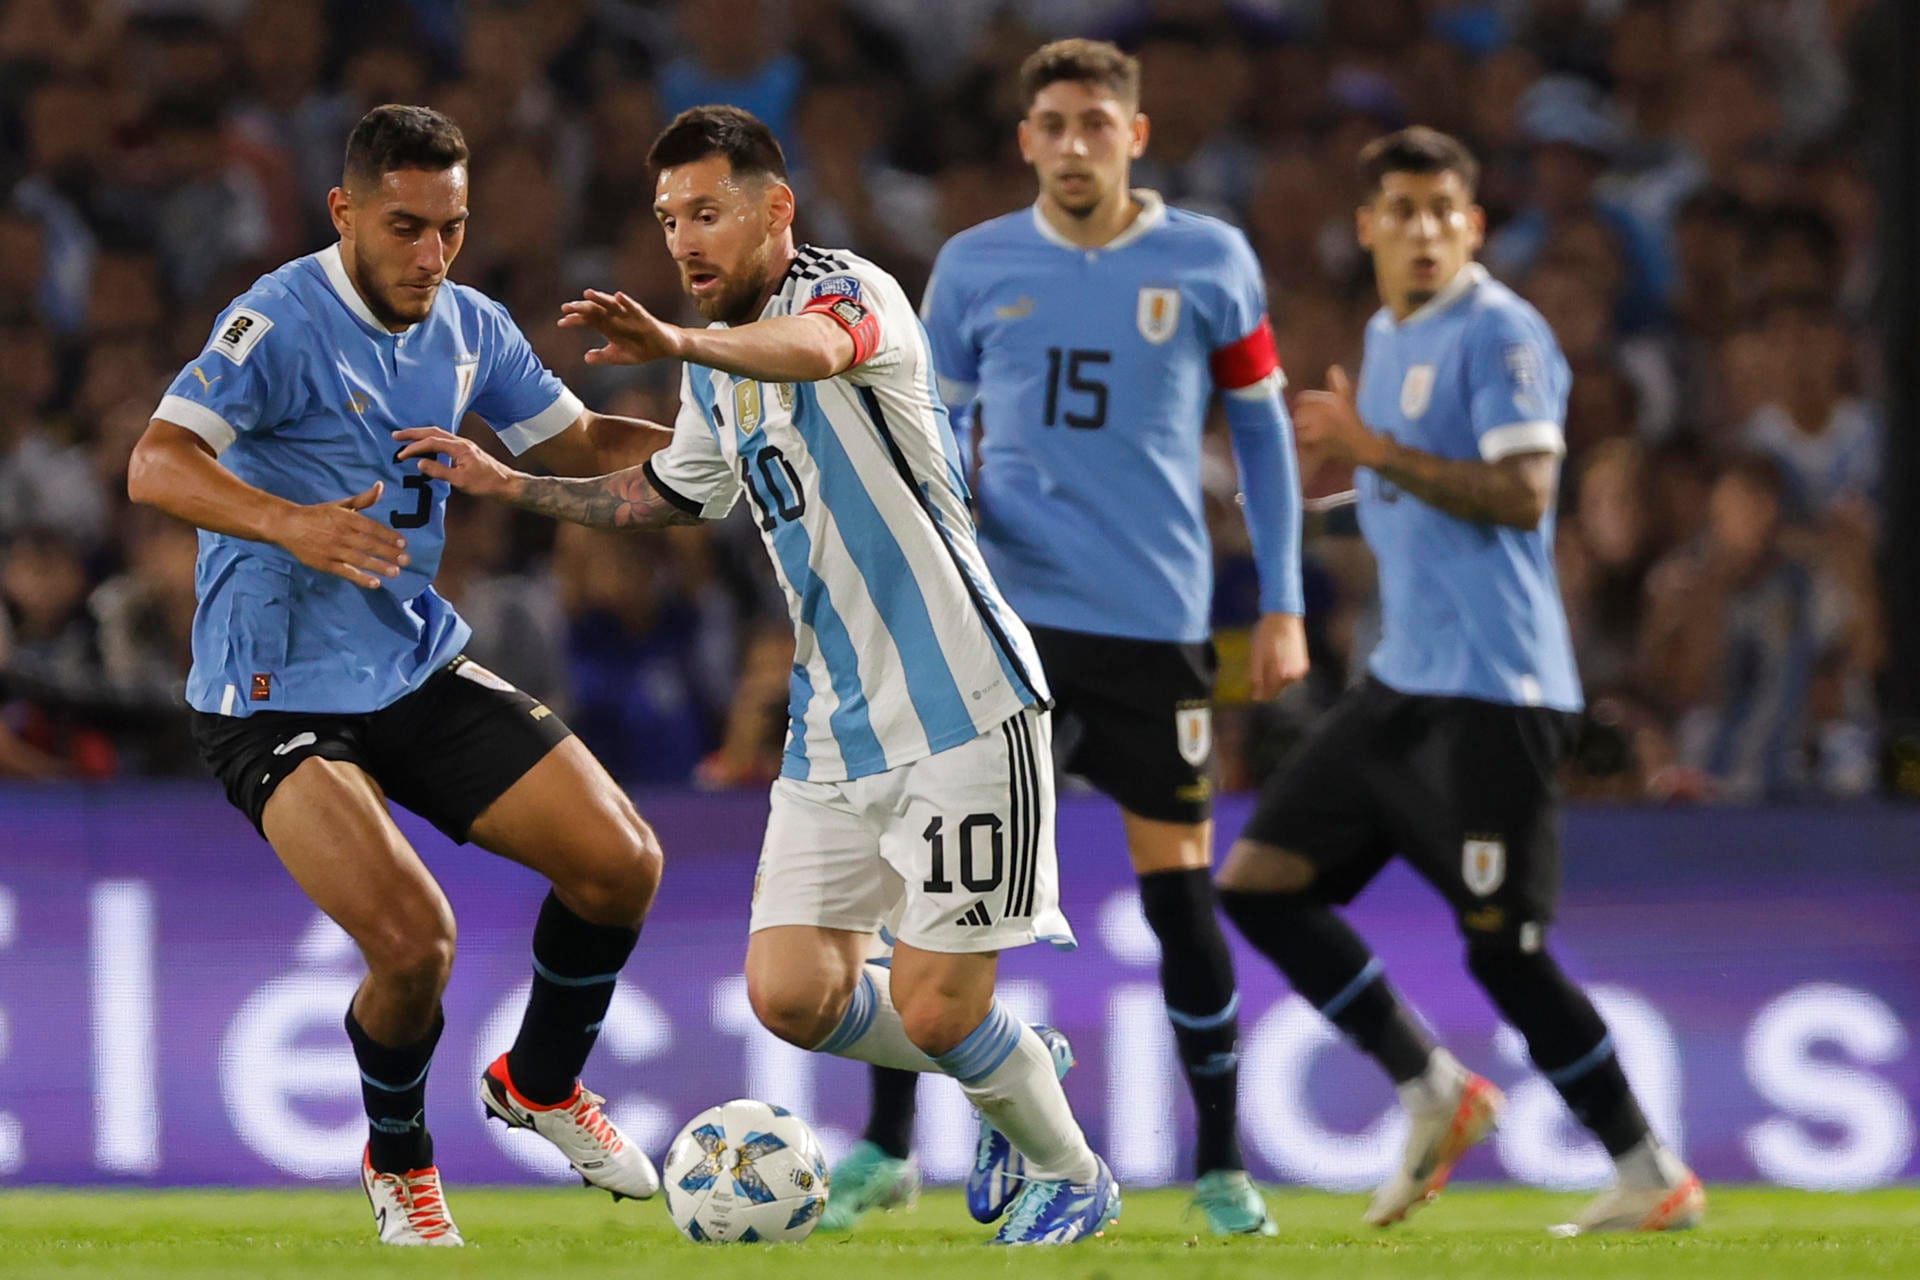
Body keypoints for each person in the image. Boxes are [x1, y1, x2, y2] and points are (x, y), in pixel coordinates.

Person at [400, 104, 1121, 1246]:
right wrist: (509, 485)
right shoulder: (718, 372)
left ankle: (1070, 1165)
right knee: (792, 996)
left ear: (775, 209)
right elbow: (676, 494)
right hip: (835, 724)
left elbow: (819, 353)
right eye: (670, 218)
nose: (685, 241)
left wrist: (683, 344)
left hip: (965, 705)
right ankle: (1012, 1063)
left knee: (937, 1010)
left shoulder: (850, 291)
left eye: (709, 212)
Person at [127, 105, 672, 1247]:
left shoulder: (472, 325)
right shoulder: (275, 319)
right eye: (405, 227)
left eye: (451, 229)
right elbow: (156, 463)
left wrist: (724, 443)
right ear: (345, 212)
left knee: (620, 863)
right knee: (415, 943)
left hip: (411, 661)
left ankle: (539, 1079)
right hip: (272, 693)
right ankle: (401, 1158)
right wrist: (291, 524)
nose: (430, 255)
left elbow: (570, 447)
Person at [826, 38, 1307, 1237]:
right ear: (1025, 139)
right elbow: (921, 436)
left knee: (1180, 899)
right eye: (1054, 123)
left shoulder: (1210, 260)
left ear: (1136, 136)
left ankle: (1222, 1164)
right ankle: (888, 1147)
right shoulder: (976, 267)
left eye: (1098, 122)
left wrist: (1284, 600)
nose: (1076, 143)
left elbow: (1262, 434)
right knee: (929, 883)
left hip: (1156, 625)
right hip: (1006, 624)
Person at [1213, 126, 1705, 1236]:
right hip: (1403, 686)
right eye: (1403, 209)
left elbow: (1524, 493)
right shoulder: (1391, 334)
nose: (1425, 229)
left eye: (1445, 210)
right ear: (1368, 228)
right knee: (1257, 881)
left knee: (1503, 946)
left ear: (1474, 226)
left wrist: (1371, 449)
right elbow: (1410, 501)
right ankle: (1431, 1083)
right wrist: (1307, 508)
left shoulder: (1504, 331)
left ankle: (1648, 1165)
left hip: (1498, 689)